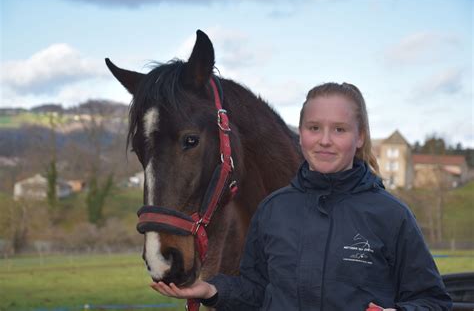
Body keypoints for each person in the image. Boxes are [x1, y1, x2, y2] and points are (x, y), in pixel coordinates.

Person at [151, 82, 452, 310]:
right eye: (314, 128)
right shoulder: (273, 209)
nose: (324, 140)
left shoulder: (391, 215)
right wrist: (212, 291)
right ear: (301, 133)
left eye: (339, 129)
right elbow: (257, 291)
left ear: (359, 137)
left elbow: (432, 300)